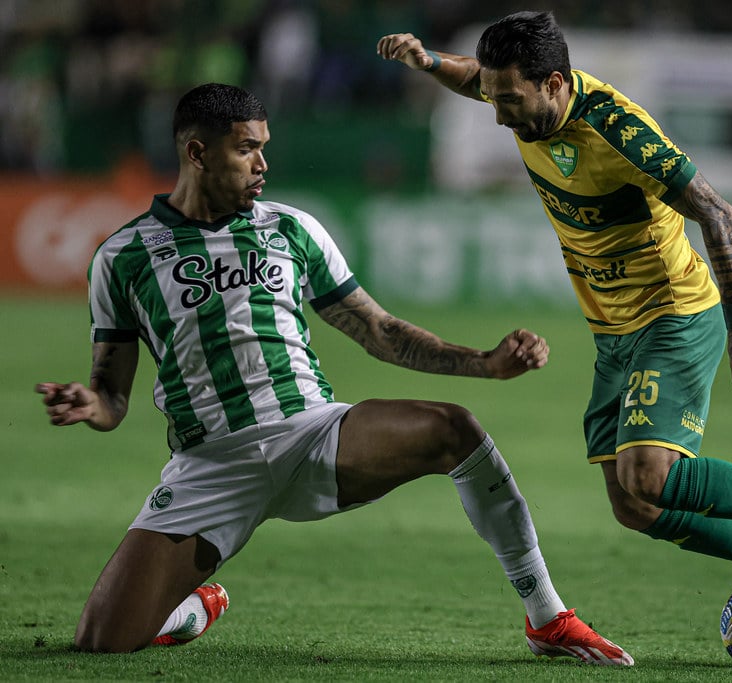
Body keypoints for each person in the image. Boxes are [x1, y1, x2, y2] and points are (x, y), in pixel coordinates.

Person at [35, 82, 633, 666]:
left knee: (455, 429)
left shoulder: (292, 229)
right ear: (197, 152)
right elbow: (113, 394)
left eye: (264, 145)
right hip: (210, 467)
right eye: (246, 149)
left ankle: (547, 617)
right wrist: (93, 403)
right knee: (102, 641)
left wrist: (484, 364)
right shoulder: (123, 256)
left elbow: (380, 330)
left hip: (313, 435)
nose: (262, 163)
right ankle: (192, 608)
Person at [378, 11, 732, 655]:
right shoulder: (518, 96)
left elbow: (717, 212)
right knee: (635, 506)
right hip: (612, 329)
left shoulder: (617, 129)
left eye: (510, 100)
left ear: (554, 82)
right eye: (494, 98)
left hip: (674, 311)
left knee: (650, 476)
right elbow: (476, 81)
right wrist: (431, 62)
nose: (498, 116)